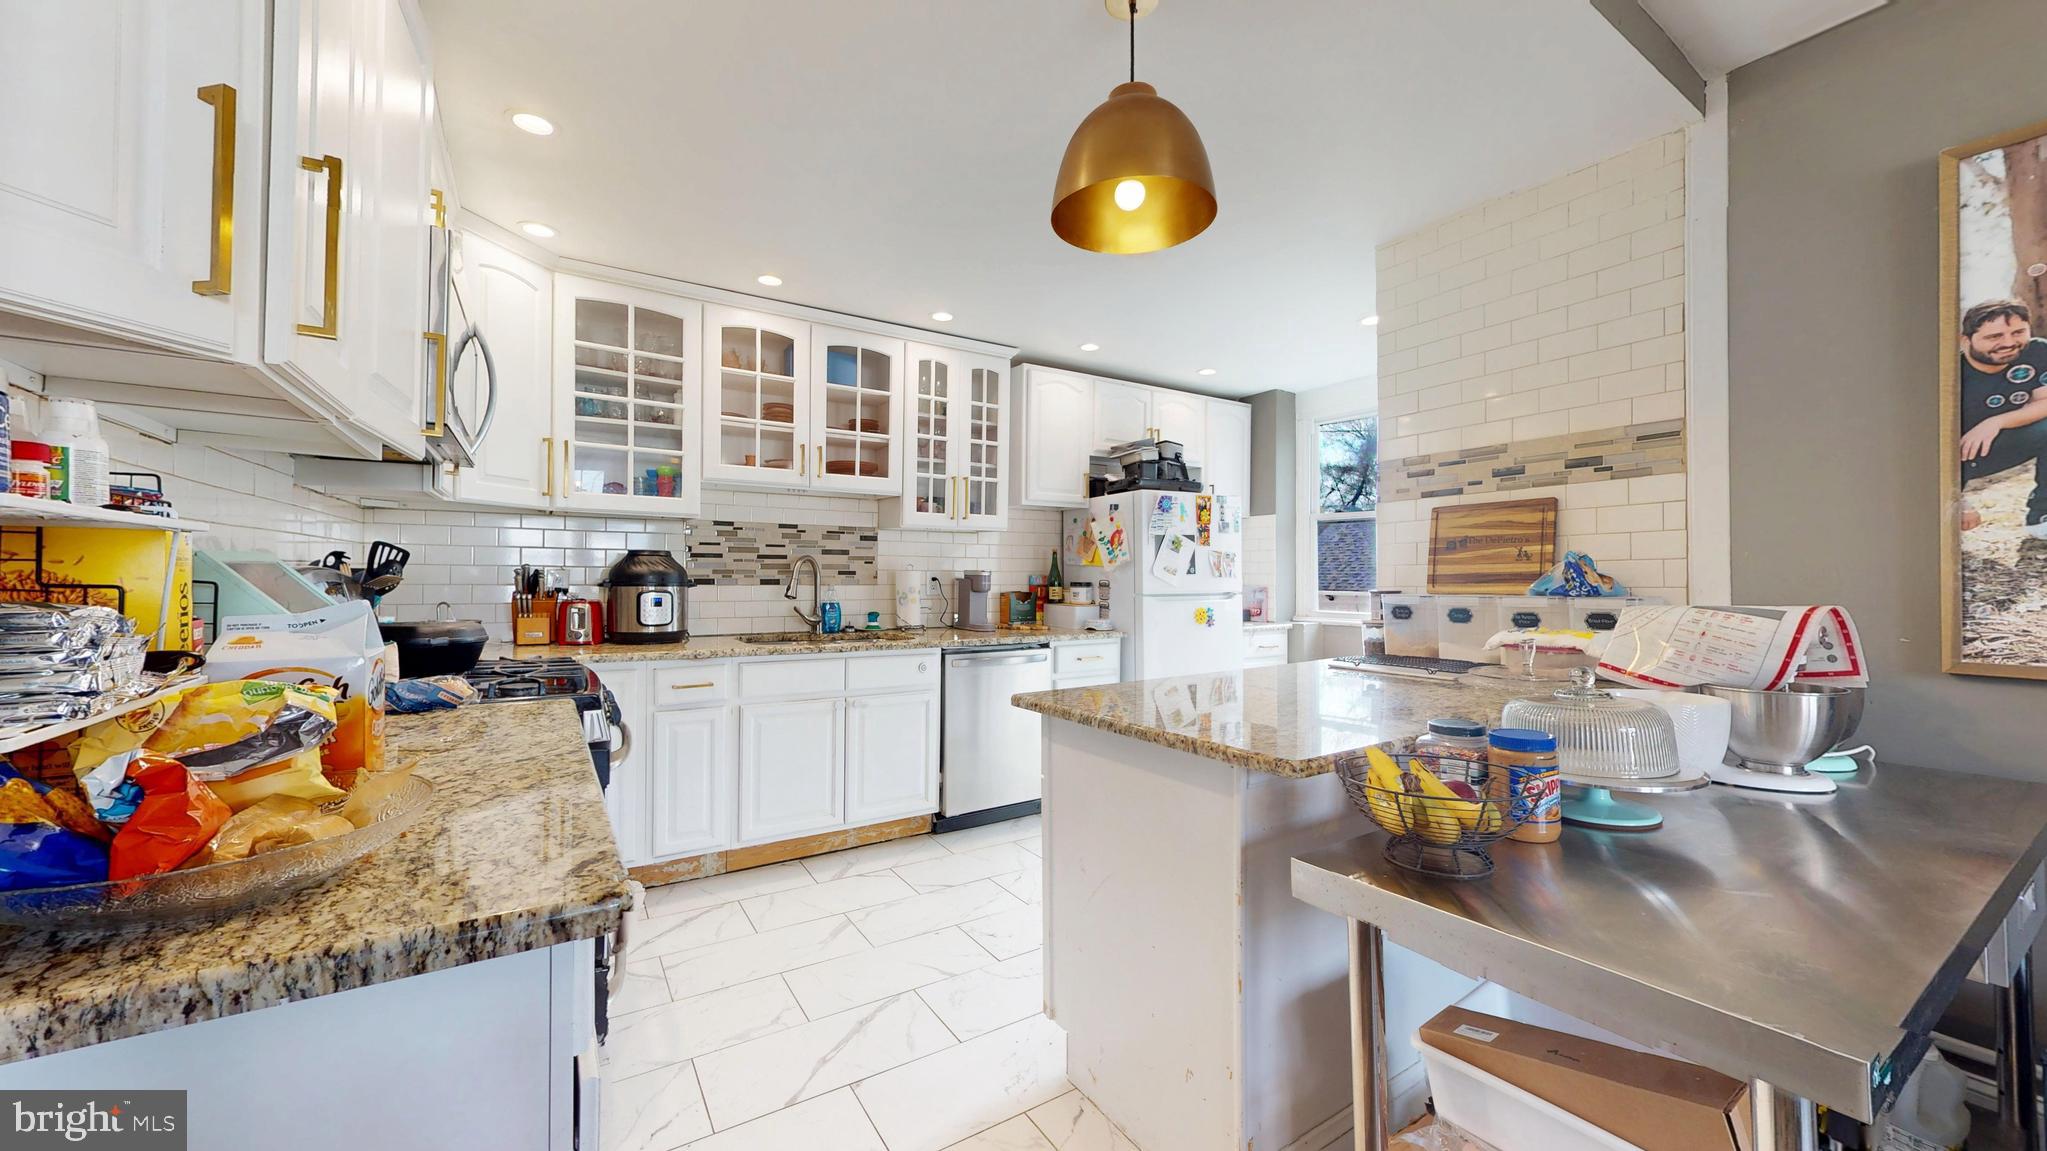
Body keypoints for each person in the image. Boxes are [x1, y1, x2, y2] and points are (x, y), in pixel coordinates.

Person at [1958, 299, 2047, 536]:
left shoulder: (2037, 352)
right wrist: (1955, 500)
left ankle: (2041, 516)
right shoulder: (1948, 369)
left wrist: (1995, 422)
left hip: (1997, 445)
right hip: (1945, 458)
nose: (2008, 343)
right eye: (1994, 336)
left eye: (2018, 332)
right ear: (1965, 340)